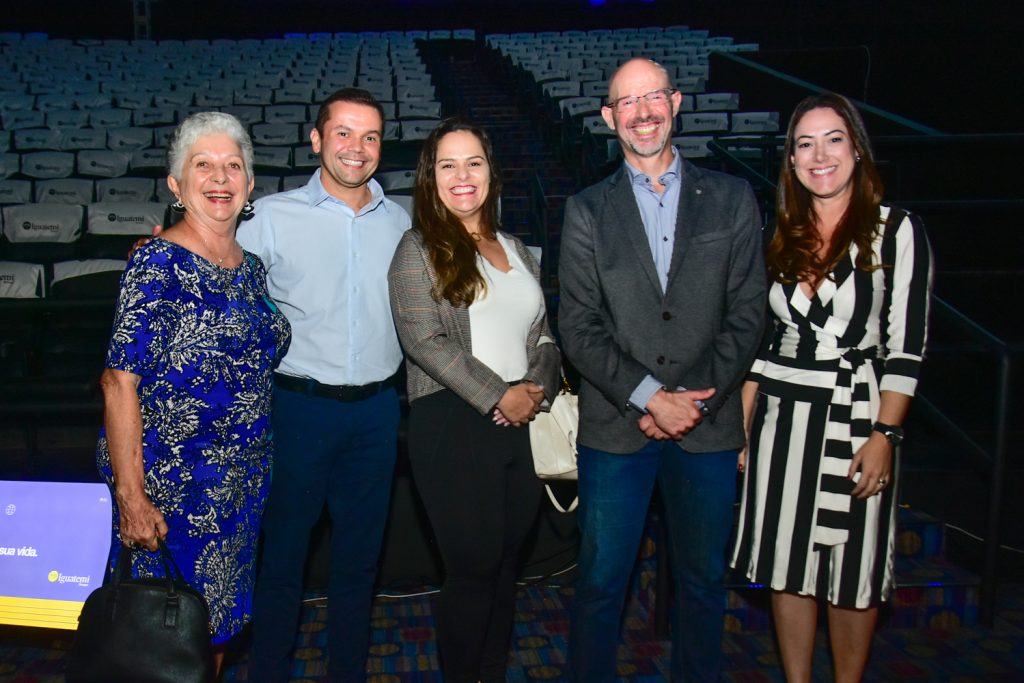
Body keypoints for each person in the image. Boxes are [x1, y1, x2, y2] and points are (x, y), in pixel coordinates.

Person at [557, 58, 767, 682]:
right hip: (618, 430)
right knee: (600, 585)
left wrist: (692, 402)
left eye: (654, 97)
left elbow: (748, 314)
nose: (643, 111)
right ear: (608, 117)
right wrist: (652, 397)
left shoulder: (732, 197)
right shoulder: (586, 210)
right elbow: (579, 327)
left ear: (676, 103)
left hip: (708, 424)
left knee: (703, 585)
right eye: (628, 101)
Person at [731, 92, 933, 682]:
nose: (820, 155)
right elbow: (765, 348)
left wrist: (886, 434)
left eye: (833, 139)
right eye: (804, 143)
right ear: (790, 161)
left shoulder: (896, 231)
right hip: (781, 420)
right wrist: (743, 429)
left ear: (857, 149)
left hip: (856, 415)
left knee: (853, 572)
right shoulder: (781, 235)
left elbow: (906, 347)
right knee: (787, 565)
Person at [97, 111, 291, 670]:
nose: (220, 177)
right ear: (177, 186)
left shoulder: (250, 269)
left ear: (250, 186)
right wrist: (132, 499)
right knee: (159, 639)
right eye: (202, 165)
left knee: (212, 632)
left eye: (233, 166)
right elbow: (117, 381)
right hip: (170, 492)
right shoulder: (156, 262)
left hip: (239, 488)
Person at [239, 88, 411, 682]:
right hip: (299, 412)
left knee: (359, 564)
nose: (356, 148)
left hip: (378, 414)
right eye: (343, 133)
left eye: (369, 136)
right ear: (316, 140)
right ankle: (267, 673)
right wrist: (158, 246)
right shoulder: (269, 216)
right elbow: (210, 268)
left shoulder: (403, 219)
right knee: (283, 559)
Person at [388, 118, 561, 683]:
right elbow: (422, 339)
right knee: (472, 569)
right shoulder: (417, 248)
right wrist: (499, 395)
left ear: (492, 172)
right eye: (447, 165)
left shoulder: (518, 247)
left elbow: (544, 335)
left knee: (506, 565)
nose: (462, 176)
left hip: (522, 422)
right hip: (452, 421)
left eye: (474, 163)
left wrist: (533, 389)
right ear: (429, 177)